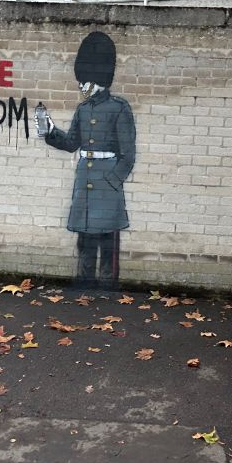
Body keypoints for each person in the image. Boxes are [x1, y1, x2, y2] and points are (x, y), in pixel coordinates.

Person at [44, 31, 136, 290]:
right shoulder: (83, 110)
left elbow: (128, 155)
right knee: (85, 239)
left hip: (106, 183)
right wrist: (50, 132)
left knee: (108, 241)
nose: (80, 86)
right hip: (85, 180)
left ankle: (108, 288)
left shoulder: (120, 108)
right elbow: (72, 142)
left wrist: (112, 181)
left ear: (95, 81)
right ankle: (84, 284)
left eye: (83, 81)